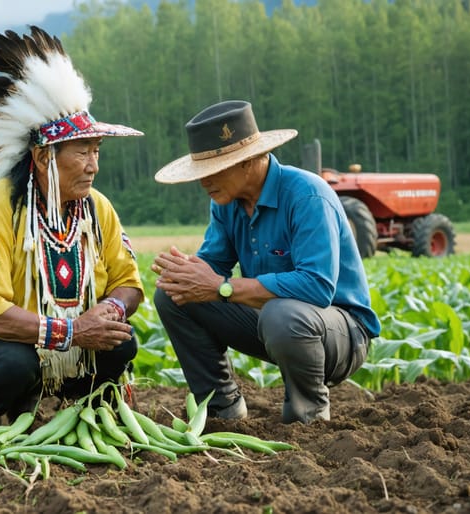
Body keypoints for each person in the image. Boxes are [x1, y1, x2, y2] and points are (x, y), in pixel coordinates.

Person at [0, 26, 144, 427]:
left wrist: (109, 311)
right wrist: (74, 331)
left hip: (68, 343)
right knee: (13, 360)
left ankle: (87, 413)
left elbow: (129, 282)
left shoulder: (97, 209)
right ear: (43, 157)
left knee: (121, 342)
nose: (94, 164)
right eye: (82, 152)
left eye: (97, 151)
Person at [151, 100, 380, 424]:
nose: (204, 182)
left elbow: (317, 288)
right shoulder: (225, 203)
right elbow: (213, 266)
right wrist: (189, 272)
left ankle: (308, 415)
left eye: (212, 171)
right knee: (175, 296)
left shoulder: (306, 195)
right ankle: (221, 408)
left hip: (341, 334)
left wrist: (223, 287)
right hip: (273, 322)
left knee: (282, 313)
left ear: (248, 162)